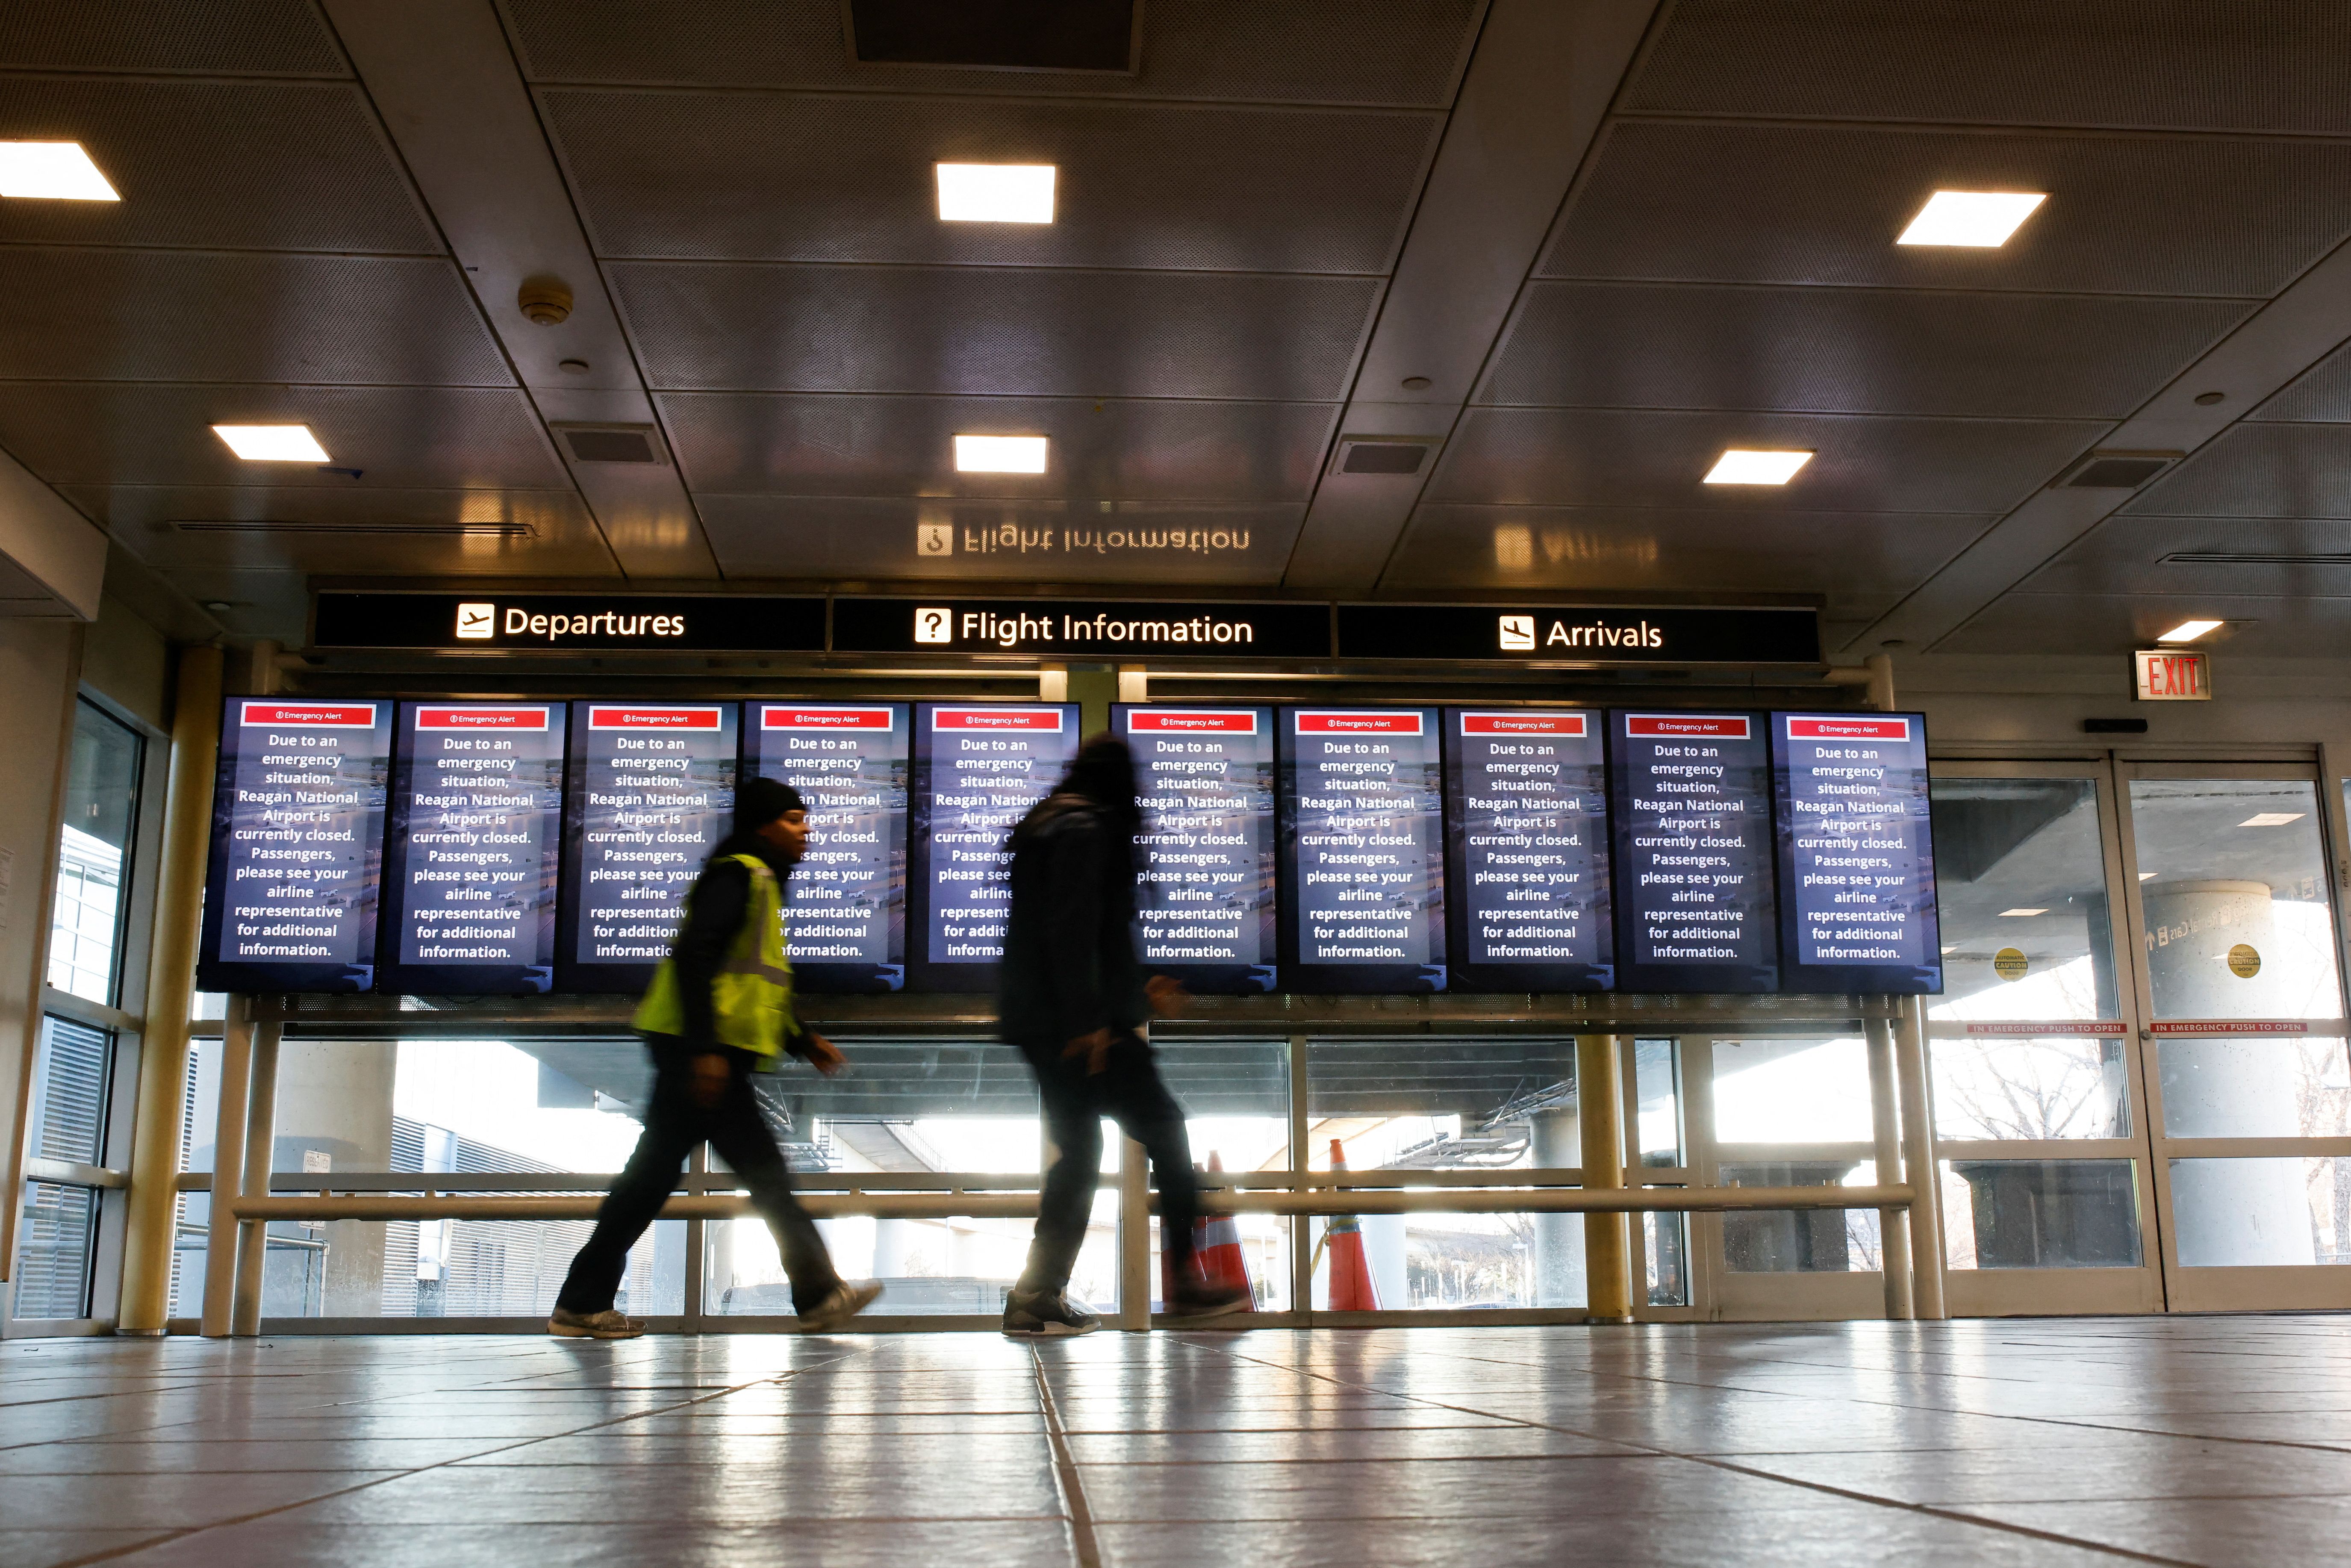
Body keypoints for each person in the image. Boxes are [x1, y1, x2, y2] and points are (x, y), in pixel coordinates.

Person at [550, 776, 881, 1338]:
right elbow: (695, 959)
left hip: (701, 1052)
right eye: (794, 820)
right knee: (764, 1178)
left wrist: (802, 1039)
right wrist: (705, 1050)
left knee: (649, 1183)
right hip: (701, 1054)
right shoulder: (740, 876)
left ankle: (581, 1304)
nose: (808, 832)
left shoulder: (759, 884)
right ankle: (820, 1294)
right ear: (762, 825)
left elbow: (755, 985)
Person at [998, 734, 1249, 1336]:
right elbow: (1076, 927)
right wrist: (1091, 1021)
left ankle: (1036, 1295)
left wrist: (1133, 994)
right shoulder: (1088, 828)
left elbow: (1069, 932)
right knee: (1165, 1127)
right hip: (1082, 1026)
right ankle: (1188, 1283)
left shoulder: (1049, 823)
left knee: (1080, 1157)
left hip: (1042, 1020)